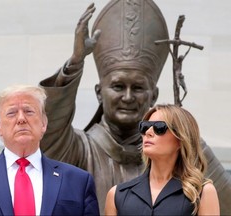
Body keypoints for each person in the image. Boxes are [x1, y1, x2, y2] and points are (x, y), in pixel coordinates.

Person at [39, 1, 231, 215]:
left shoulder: (184, 149)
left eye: (138, 87)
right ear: (99, 92)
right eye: (118, 86)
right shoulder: (79, 150)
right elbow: (47, 129)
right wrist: (74, 63)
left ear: (154, 95)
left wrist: (186, 140)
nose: (128, 97)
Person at [0, 85, 100, 216]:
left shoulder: (78, 181)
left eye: (29, 111)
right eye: (11, 113)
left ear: (44, 124)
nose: (21, 119)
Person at [105, 104, 220, 215]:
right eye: (144, 127)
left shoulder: (203, 192)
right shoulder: (117, 195)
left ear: (181, 139)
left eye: (159, 127)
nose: (148, 132)